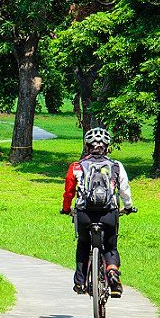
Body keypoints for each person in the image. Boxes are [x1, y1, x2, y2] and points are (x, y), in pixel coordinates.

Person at [62, 127, 134, 297]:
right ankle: (112, 273)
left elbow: (69, 192)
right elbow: (124, 189)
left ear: (86, 147)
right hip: (109, 215)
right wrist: (128, 206)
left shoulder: (77, 166)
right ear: (108, 148)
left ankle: (80, 283)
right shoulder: (116, 166)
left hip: (84, 214)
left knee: (83, 244)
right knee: (110, 247)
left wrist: (66, 209)